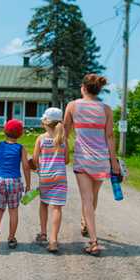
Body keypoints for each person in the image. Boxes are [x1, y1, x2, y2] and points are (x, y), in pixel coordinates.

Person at [64, 73, 121, 256]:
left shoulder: (72, 106)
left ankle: (94, 242)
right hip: (101, 160)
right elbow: (110, 137)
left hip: (83, 159)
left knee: (87, 199)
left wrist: (59, 153)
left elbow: (64, 133)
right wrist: (114, 163)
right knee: (93, 197)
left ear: (83, 88)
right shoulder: (106, 110)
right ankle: (85, 223)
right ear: (98, 90)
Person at [0, 119, 31, 249]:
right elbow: (26, 167)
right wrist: (28, 185)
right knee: (13, 211)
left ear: (5, 131)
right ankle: (11, 238)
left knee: (0, 208)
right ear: (20, 134)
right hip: (14, 182)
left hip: (0, 180)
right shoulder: (21, 148)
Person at [32, 107, 68, 253]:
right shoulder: (63, 139)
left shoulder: (41, 138)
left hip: (45, 176)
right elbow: (66, 160)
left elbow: (35, 159)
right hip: (60, 177)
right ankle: (53, 240)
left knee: (44, 204)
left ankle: (43, 234)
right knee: (57, 207)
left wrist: (36, 167)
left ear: (45, 122)